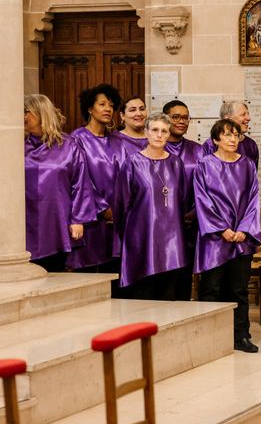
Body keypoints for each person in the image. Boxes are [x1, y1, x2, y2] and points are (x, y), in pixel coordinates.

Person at [194, 118, 261, 353]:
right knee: (211, 288)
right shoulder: (204, 165)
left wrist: (243, 229)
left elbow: (253, 200)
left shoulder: (248, 165)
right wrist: (222, 229)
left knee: (238, 289)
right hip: (215, 238)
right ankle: (208, 337)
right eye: (227, 135)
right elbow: (202, 200)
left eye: (236, 135)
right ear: (216, 140)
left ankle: (241, 335)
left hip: (241, 237)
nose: (233, 139)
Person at [112, 113, 188, 300]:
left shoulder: (176, 163)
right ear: (146, 132)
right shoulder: (133, 163)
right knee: (143, 294)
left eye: (164, 131)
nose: (159, 135)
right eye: (154, 130)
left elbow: (183, 199)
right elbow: (121, 203)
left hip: (172, 240)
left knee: (168, 295)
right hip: (142, 237)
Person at [24, 94, 96, 272]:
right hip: (25, 221)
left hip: (57, 219)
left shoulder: (68, 145)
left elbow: (80, 184)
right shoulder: (15, 145)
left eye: (26, 112)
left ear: (41, 113)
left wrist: (78, 219)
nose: (22, 116)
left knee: (53, 272)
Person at [68, 84, 123, 273]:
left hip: (117, 219)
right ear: (90, 108)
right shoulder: (76, 139)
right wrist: (103, 208)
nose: (108, 109)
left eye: (111, 105)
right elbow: (80, 179)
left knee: (114, 276)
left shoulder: (117, 140)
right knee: (88, 274)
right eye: (102, 104)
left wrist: (121, 208)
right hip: (90, 219)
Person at [163, 100, 204, 301]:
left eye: (185, 117)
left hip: (190, 223)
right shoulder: (155, 149)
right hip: (162, 227)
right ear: (165, 119)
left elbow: (206, 187)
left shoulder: (198, 151)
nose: (181, 121)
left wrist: (195, 212)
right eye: (176, 117)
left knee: (184, 279)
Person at [203, 101, 259, 166]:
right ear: (227, 119)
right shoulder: (210, 145)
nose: (249, 118)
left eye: (248, 114)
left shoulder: (251, 145)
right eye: (243, 115)